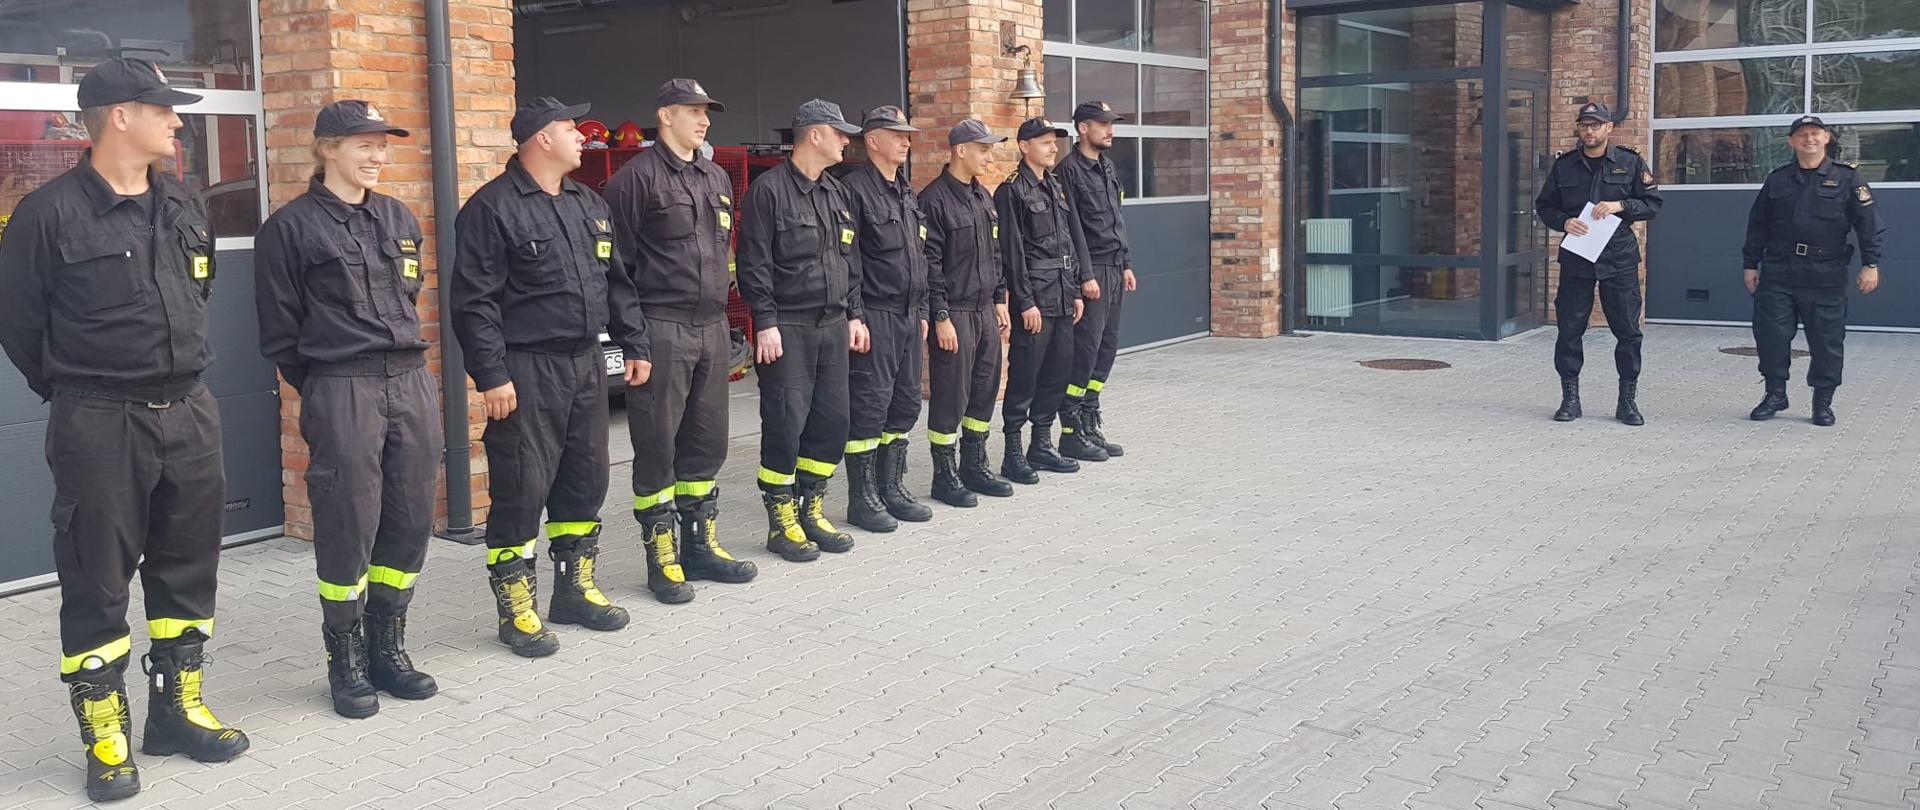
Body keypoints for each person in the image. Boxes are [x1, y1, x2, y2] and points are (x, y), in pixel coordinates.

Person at [0, 58, 249, 802]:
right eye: (164, 109)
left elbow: (200, 290)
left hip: (190, 411)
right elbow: (18, 322)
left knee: (187, 564)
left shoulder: (182, 203)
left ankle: (176, 712)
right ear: (119, 116)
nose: (177, 121)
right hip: (100, 420)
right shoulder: (46, 215)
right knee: (96, 577)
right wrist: (79, 391)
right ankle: (106, 734)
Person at [254, 101, 441, 718]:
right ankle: (346, 658)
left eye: (383, 145)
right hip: (342, 384)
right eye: (364, 144)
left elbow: (410, 300)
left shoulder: (398, 216)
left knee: (411, 516)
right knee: (347, 521)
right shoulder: (290, 228)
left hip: (410, 380)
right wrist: (332, 391)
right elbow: (281, 336)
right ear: (327, 147)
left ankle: (388, 647)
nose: (377, 156)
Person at [450, 97, 650, 657]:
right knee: (521, 485)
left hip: (585, 362)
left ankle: (574, 590)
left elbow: (617, 281)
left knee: (585, 478)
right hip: (525, 368)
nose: (583, 135)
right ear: (541, 138)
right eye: (569, 127)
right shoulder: (492, 209)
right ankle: (517, 609)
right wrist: (491, 375)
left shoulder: (589, 203)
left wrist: (635, 340)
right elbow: (475, 303)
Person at [603, 79, 757, 605]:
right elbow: (615, 269)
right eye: (694, 111)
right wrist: (634, 342)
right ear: (666, 115)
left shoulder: (714, 176)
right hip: (661, 324)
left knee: (707, 442)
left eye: (707, 112)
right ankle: (661, 556)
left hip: (711, 326)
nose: (705, 120)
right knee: (657, 446)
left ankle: (700, 546)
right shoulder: (634, 181)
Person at [737, 99, 866, 561]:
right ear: (815, 135)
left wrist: (854, 314)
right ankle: (782, 522)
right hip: (788, 326)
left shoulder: (837, 192)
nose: (846, 141)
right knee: (785, 424)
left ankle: (811, 509)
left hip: (832, 325)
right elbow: (754, 264)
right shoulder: (768, 191)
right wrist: (765, 323)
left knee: (831, 423)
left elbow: (849, 259)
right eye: (839, 133)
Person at [1741, 115, 1883, 426]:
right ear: (1791, 141)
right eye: (1802, 134)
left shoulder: (1848, 179)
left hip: (1825, 273)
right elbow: (1758, 226)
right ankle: (1775, 394)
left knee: (1826, 340)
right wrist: (1750, 264)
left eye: (1815, 133)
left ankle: (1823, 402)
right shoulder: (1777, 180)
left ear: (1826, 138)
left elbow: (1868, 226)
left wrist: (1870, 264)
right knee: (1771, 336)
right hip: (1779, 271)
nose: (1809, 139)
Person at [1534, 101, 1662, 426]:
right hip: (1578, 259)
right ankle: (1570, 399)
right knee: (1569, 330)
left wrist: (1621, 204)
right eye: (1584, 125)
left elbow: (1652, 204)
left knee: (1629, 332)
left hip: (1618, 259)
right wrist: (1563, 223)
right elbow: (1545, 206)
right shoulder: (1564, 166)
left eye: (1595, 125)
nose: (1589, 131)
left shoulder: (1629, 163)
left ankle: (1627, 402)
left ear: (1609, 128)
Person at [840, 105, 935, 532]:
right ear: (873, 140)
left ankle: (892, 488)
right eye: (898, 135)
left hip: (908, 314)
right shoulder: (853, 190)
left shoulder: (905, 190)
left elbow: (920, 255)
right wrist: (855, 315)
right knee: (869, 406)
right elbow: (848, 260)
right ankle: (863, 499)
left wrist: (925, 310)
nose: (906, 141)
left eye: (908, 134)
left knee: (904, 403)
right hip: (875, 313)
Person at [918, 120, 1015, 506]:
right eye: (983, 149)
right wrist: (940, 317)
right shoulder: (933, 200)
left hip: (984, 312)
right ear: (960, 150)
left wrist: (1000, 299)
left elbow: (995, 253)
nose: (989, 157)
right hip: (954, 314)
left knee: (984, 391)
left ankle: (975, 466)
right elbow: (931, 265)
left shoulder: (983, 198)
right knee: (950, 397)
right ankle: (945, 476)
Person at [995, 117, 1092, 484]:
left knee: (1056, 375)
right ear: (1024, 146)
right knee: (1024, 376)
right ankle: (1013, 454)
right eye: (1046, 142)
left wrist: (1077, 290)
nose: (1054, 148)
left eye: (1055, 142)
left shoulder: (1056, 186)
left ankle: (1041, 445)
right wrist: (1024, 302)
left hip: (1063, 295)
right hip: (1035, 297)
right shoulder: (1012, 190)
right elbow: (1012, 253)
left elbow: (1069, 240)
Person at [1056, 100, 1135, 461]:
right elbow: (1072, 231)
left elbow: (1116, 219)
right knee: (1085, 351)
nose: (1110, 130)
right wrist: (1084, 275)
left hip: (1115, 268)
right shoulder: (1068, 171)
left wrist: (1127, 263)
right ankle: (1071, 431)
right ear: (1082, 128)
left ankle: (1090, 421)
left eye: (1111, 124)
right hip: (1094, 272)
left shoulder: (1107, 167)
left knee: (1106, 349)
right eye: (1103, 124)